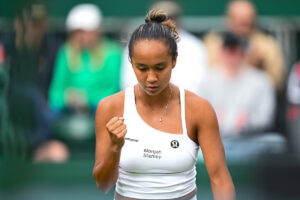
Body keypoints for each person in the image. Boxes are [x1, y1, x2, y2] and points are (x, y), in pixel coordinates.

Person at [93, 9, 235, 200]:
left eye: (160, 67)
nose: (151, 78)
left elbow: (220, 178)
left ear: (174, 61)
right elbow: (103, 185)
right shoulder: (109, 107)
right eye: (141, 68)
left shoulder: (199, 109)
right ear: (131, 63)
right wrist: (114, 148)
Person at [49, 4, 122, 145]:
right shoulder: (66, 52)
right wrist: (69, 98)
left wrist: (86, 99)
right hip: (67, 110)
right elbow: (55, 93)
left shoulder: (112, 53)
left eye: (86, 31)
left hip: (100, 110)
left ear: (97, 31)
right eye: (77, 32)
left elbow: (112, 92)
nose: (82, 36)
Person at [121, 0, 208, 95]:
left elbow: (199, 85)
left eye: (169, 18)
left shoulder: (195, 47)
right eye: (158, 18)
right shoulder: (136, 45)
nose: (164, 23)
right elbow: (128, 84)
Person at [199, 32, 276, 136]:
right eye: (228, 51)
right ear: (222, 52)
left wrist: (249, 121)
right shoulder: (206, 81)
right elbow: (198, 114)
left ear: (243, 53)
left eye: (235, 51)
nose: (232, 57)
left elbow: (266, 117)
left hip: (251, 139)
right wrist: (212, 119)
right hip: (215, 139)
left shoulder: (261, 81)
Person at [204, 0, 285, 91]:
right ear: (229, 19)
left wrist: (259, 66)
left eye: (248, 19)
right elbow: (208, 76)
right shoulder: (214, 43)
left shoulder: (267, 46)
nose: (244, 23)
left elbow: (276, 82)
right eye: (239, 19)